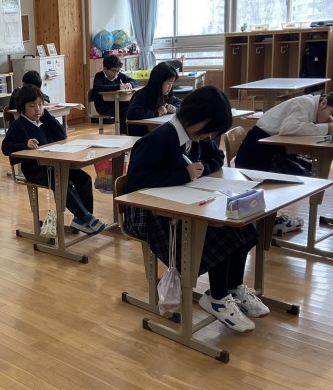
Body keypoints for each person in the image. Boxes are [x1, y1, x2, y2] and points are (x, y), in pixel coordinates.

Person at [124, 86, 268, 333]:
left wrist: (199, 169)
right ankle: (217, 298)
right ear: (194, 115)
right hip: (150, 215)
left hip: (183, 205)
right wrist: (183, 174)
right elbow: (136, 182)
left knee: (243, 229)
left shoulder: (198, 136)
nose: (209, 137)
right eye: (208, 130)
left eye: (213, 133)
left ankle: (232, 287)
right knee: (221, 233)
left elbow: (217, 159)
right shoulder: (158, 139)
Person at [1, 84, 107, 234]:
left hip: (55, 165)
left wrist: (47, 116)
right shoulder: (18, 125)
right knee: (61, 182)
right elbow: (5, 147)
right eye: (32, 106)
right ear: (22, 108)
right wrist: (24, 144)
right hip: (36, 170)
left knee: (84, 178)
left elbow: (62, 135)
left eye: (40, 105)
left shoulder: (44, 121)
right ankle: (86, 217)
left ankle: (80, 220)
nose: (37, 109)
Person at [235, 92, 333, 235]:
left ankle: (271, 220)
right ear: (323, 103)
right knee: (307, 176)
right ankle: (268, 222)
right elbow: (288, 128)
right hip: (256, 156)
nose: (330, 120)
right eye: (331, 114)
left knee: (311, 168)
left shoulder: (312, 107)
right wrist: (328, 128)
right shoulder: (305, 103)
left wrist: (326, 127)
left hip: (270, 151)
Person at [126, 62, 182, 136]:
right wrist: (157, 113)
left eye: (172, 83)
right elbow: (133, 113)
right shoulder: (142, 95)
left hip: (158, 131)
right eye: (168, 83)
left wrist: (174, 108)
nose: (170, 87)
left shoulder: (165, 94)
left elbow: (180, 103)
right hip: (141, 135)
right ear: (159, 82)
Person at [91, 54, 138, 134]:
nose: (116, 74)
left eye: (118, 71)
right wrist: (117, 87)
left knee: (133, 107)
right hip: (103, 107)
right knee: (124, 110)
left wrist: (130, 84)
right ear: (105, 69)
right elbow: (97, 87)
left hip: (118, 103)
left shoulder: (119, 75)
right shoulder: (99, 76)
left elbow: (135, 81)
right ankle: (123, 134)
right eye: (113, 71)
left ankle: (132, 132)